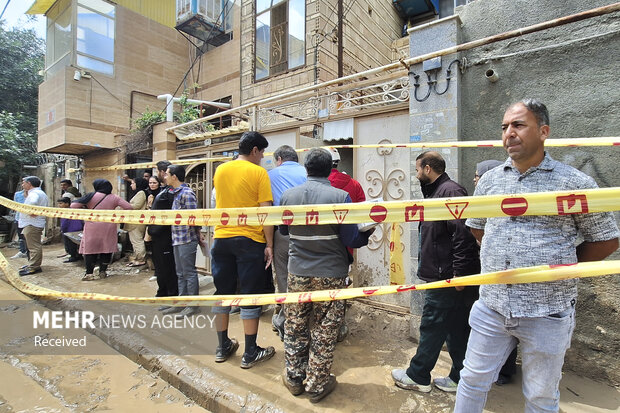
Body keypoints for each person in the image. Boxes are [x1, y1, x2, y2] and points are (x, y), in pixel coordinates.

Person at [455, 99, 620, 412]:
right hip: (492, 306)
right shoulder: (490, 181)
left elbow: (606, 239)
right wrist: (505, 253)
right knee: (472, 380)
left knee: (541, 397)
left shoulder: (573, 183)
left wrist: (562, 267)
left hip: (547, 311)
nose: (509, 134)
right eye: (505, 127)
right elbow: (477, 227)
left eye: (518, 125)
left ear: (543, 131)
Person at [279, 148, 373, 402]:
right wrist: (368, 231)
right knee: (325, 327)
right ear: (330, 168)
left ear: (307, 168)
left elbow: (284, 231)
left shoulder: (288, 196)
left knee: (295, 324)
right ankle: (317, 384)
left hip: (298, 271)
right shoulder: (341, 196)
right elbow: (352, 237)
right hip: (331, 272)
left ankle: (294, 378)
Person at [392, 151, 480, 393]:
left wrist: (460, 275)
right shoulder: (436, 192)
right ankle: (460, 378)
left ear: (428, 169)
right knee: (456, 329)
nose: (416, 173)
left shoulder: (450, 191)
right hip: (447, 273)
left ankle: (417, 375)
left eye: (418, 169)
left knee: (432, 324)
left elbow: (463, 236)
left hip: (448, 276)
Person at [211, 131, 275, 369]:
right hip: (249, 239)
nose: (263, 157)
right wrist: (269, 244)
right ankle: (250, 352)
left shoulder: (220, 170)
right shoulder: (259, 172)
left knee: (223, 293)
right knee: (250, 295)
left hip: (222, 238)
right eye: (262, 152)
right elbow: (265, 210)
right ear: (255, 150)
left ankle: (222, 346)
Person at [475, 159, 518, 386]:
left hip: (506, 281)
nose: (475, 179)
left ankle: (505, 370)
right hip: (491, 278)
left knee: (509, 326)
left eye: (477, 174)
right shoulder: (482, 196)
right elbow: (476, 227)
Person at [267, 145, 307, 340]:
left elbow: (265, 206)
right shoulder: (307, 172)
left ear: (279, 159)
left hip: (282, 232)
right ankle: (305, 320)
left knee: (283, 276)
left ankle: (287, 322)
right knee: (306, 274)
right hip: (308, 231)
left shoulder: (270, 175)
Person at [327, 148, 366, 341]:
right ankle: (339, 325)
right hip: (344, 246)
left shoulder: (314, 186)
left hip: (317, 246)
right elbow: (363, 214)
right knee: (340, 282)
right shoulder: (354, 184)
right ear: (338, 162)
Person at [71, 179, 133, 281]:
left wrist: (86, 210)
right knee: (106, 248)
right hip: (109, 226)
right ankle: (103, 272)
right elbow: (129, 207)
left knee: (90, 250)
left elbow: (73, 206)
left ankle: (89, 274)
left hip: (92, 226)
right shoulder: (114, 197)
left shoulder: (90, 196)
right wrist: (116, 215)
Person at [164, 164, 205, 318]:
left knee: (188, 273)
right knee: (180, 273)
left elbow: (193, 218)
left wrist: (198, 234)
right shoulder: (175, 193)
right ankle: (182, 303)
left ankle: (193, 306)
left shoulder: (186, 193)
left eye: (167, 174)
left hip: (187, 239)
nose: (165, 177)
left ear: (174, 176)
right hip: (177, 238)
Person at [148, 161, 178, 304]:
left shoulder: (171, 192)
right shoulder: (163, 191)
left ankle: (170, 296)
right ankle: (162, 292)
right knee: (160, 267)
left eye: (158, 171)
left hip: (165, 236)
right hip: (157, 236)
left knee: (168, 268)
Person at [17, 176, 49, 276]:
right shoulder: (37, 193)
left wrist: (32, 212)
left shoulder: (35, 194)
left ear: (29, 183)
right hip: (31, 223)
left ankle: (34, 266)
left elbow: (33, 202)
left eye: (23, 183)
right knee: (31, 246)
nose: (22, 185)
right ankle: (32, 264)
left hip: (32, 223)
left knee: (34, 246)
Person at [125, 177, 148, 267]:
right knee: (135, 240)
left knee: (137, 241)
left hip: (136, 221)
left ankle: (141, 259)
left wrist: (125, 205)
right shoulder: (139, 193)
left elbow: (136, 206)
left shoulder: (141, 193)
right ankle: (138, 257)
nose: (131, 185)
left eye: (133, 183)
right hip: (134, 221)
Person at [57, 197, 83, 263]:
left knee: (70, 245)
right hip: (78, 229)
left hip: (70, 230)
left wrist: (62, 229)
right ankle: (78, 255)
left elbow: (64, 222)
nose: (59, 205)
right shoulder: (74, 210)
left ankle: (73, 256)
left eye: (61, 203)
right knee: (76, 244)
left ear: (67, 204)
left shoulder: (66, 212)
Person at [10, 186, 29, 259]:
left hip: (29, 219)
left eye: (25, 183)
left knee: (28, 236)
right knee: (21, 236)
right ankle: (22, 251)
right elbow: (14, 206)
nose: (23, 185)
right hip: (19, 218)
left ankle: (29, 251)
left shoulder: (33, 195)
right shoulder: (18, 194)